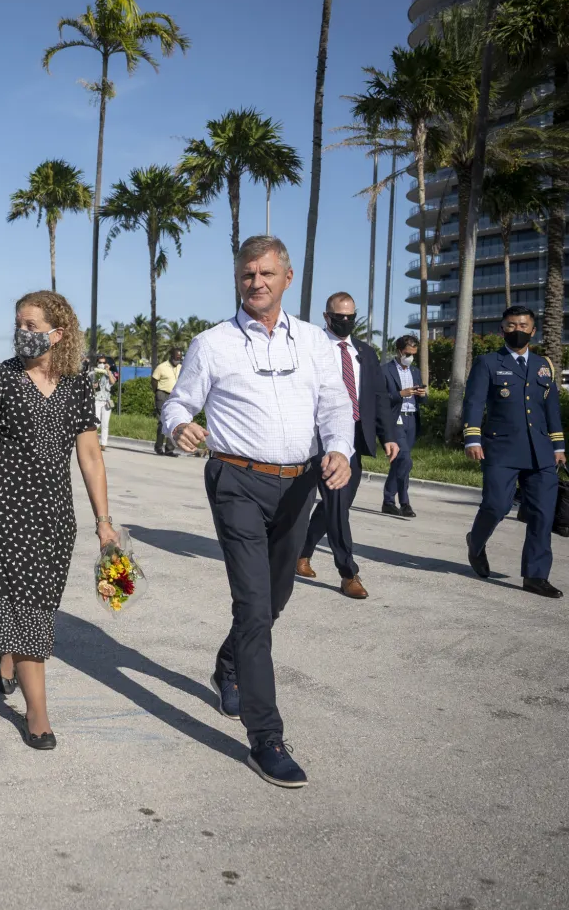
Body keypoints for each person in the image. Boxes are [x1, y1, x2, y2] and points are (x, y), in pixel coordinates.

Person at [161, 235, 353, 789]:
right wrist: (179, 425)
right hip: (235, 480)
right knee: (252, 603)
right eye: (247, 274)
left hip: (298, 485)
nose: (256, 283)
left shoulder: (316, 342)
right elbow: (179, 400)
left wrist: (338, 448)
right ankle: (265, 736)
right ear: (238, 279)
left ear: (286, 279)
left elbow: (335, 405)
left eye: (267, 273)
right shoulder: (212, 343)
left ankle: (228, 664)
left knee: (273, 599)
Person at [0, 290, 119, 750]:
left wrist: (104, 521)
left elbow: (90, 457)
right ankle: (37, 713)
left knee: (37, 601)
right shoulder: (1, 377)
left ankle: (6, 650)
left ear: (57, 333)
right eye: (18, 324)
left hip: (56, 515)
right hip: (3, 507)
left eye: (31, 326)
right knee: (25, 606)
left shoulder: (78, 383)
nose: (22, 333)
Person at [296, 292, 397, 599]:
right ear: (327, 317)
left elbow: (378, 397)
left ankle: (302, 553)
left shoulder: (365, 353)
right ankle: (348, 572)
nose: (345, 322)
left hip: (350, 439)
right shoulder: (310, 348)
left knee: (336, 504)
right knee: (337, 506)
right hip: (313, 436)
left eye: (351, 317)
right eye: (339, 317)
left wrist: (388, 435)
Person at [463, 304, 565, 599]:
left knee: (543, 515)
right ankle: (476, 542)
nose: (517, 330)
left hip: (541, 452)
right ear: (502, 329)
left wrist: (558, 445)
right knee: (496, 505)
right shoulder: (488, 363)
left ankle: (535, 576)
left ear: (533, 330)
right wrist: (472, 439)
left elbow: (551, 409)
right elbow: (474, 402)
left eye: (523, 326)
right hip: (501, 450)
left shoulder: (544, 366)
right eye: (511, 325)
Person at [382, 335, 425, 517]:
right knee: (405, 459)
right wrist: (400, 393)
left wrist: (422, 394)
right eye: (408, 353)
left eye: (414, 354)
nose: (410, 357)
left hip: (411, 419)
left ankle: (388, 501)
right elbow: (380, 398)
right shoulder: (385, 370)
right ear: (399, 351)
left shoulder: (415, 371)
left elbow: (422, 398)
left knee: (400, 463)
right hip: (396, 419)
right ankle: (404, 502)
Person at [152, 347, 183, 456]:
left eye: (180, 358)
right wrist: (157, 392)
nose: (178, 359)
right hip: (162, 394)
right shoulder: (161, 367)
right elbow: (154, 380)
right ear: (171, 356)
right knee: (162, 422)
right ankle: (158, 447)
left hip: (174, 396)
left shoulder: (181, 367)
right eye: (176, 357)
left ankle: (169, 449)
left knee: (173, 422)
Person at [91, 354, 117, 449]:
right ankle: (93, 440)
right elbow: (87, 385)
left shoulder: (108, 373)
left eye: (104, 362)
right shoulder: (93, 373)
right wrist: (93, 386)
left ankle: (103, 444)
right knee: (96, 423)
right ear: (97, 363)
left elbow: (113, 382)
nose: (102, 364)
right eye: (100, 362)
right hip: (96, 400)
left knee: (105, 423)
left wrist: (108, 371)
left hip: (106, 401)